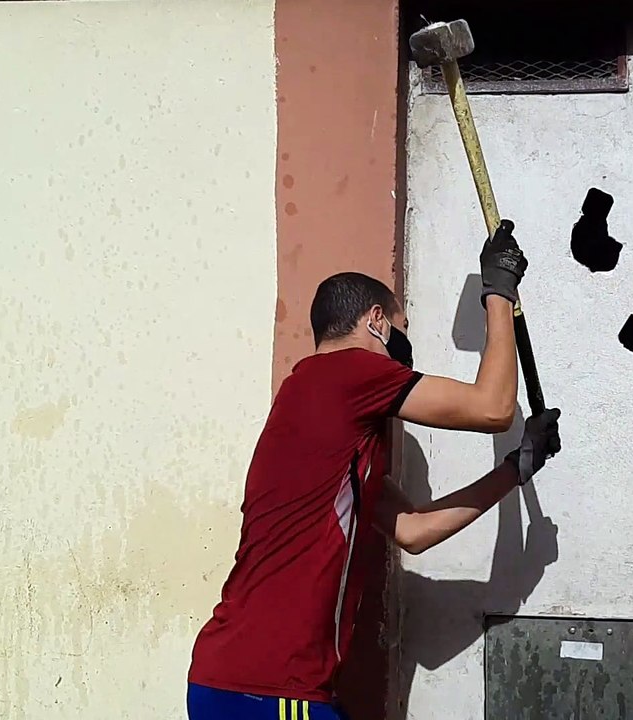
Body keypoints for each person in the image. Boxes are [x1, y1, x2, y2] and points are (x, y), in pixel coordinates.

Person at [186, 220, 562, 720]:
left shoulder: (322, 422)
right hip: (275, 687)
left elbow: (416, 530)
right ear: (377, 322)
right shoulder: (348, 373)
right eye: (401, 332)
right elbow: (493, 408)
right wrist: (499, 291)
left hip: (232, 679)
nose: (403, 351)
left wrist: (517, 468)